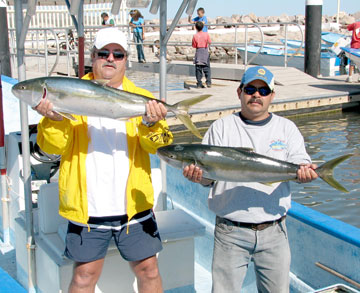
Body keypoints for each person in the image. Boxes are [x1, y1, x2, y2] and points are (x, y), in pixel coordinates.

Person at [35, 27, 173, 293]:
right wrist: (53, 119)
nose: (111, 58)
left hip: (133, 205)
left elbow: (160, 145)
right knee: (84, 276)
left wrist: (150, 123)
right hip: (88, 207)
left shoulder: (141, 98)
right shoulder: (67, 94)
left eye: (118, 54)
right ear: (93, 57)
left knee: (149, 271)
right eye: (104, 53)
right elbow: (52, 147)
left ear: (125, 60)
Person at [182, 66, 318, 292]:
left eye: (264, 91)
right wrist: (199, 177)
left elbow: (301, 165)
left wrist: (306, 173)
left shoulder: (287, 128)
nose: (256, 95)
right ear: (239, 92)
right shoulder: (221, 127)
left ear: (272, 96)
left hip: (274, 230)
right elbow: (209, 179)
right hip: (230, 232)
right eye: (251, 89)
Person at [192, 21, 211, 88]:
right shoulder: (206, 34)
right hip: (205, 51)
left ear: (196, 28)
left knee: (198, 69)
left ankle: (199, 83)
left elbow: (194, 45)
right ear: (203, 27)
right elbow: (209, 42)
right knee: (207, 68)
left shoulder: (195, 36)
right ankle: (208, 82)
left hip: (198, 52)